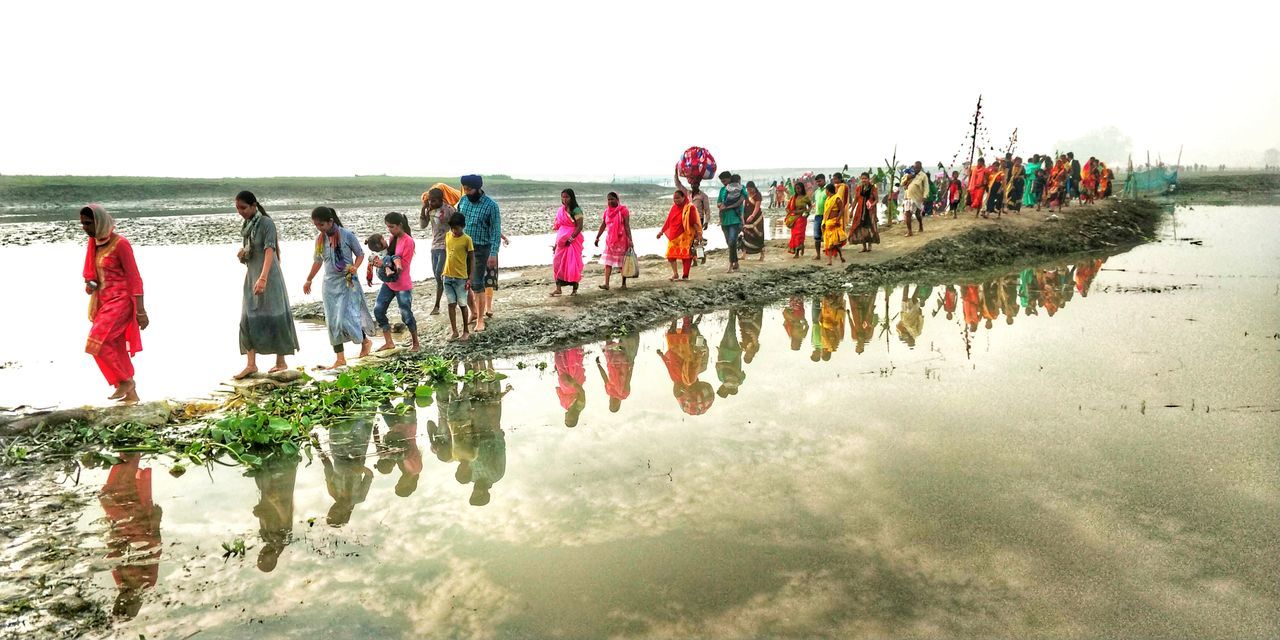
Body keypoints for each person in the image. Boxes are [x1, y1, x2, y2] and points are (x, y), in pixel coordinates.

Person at [80, 204, 147, 403]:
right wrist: (91, 283)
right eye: (82, 223)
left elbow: (135, 278)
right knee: (114, 346)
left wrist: (141, 311)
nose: (85, 227)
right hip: (104, 302)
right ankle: (132, 397)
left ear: (99, 221)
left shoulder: (121, 244)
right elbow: (94, 275)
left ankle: (125, 381)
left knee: (96, 343)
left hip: (121, 302)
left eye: (88, 223)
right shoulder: (94, 244)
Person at [234, 191, 296, 381]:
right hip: (252, 274)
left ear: (254, 205)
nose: (240, 212)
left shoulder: (266, 223)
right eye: (237, 208)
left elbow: (270, 251)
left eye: (243, 208)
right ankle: (251, 364)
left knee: (275, 315)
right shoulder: (247, 225)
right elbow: (252, 250)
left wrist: (263, 278)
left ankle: (281, 361)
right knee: (247, 317)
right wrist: (243, 255)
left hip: (268, 276)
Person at [303, 206, 375, 369]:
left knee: (346, 317)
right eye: (316, 225)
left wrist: (355, 267)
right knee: (333, 321)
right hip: (329, 284)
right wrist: (309, 279)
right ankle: (340, 357)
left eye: (321, 225)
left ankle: (365, 341)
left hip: (347, 280)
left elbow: (360, 254)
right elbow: (318, 261)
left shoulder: (347, 235)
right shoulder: (319, 239)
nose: (319, 228)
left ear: (330, 222)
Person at [371, 212, 419, 352]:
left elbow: (403, 264)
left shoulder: (408, 241)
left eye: (391, 227)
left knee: (406, 314)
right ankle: (389, 342)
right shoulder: (393, 238)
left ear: (400, 225)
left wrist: (384, 265)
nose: (389, 230)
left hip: (402, 284)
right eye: (387, 227)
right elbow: (388, 256)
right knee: (378, 310)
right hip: (389, 283)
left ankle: (415, 343)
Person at [458, 174, 501, 331]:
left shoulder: (491, 206)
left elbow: (496, 231)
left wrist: (493, 253)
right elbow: (457, 223)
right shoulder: (463, 201)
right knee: (463, 282)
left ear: (478, 188)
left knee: (477, 283)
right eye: (465, 189)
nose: (467, 192)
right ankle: (474, 312)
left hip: (481, 249)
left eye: (469, 189)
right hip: (462, 247)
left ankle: (480, 320)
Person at [419, 187, 457, 315]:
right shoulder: (430, 210)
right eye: (430, 201)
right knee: (437, 275)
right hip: (435, 246)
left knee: (440, 273)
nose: (431, 203)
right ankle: (449, 299)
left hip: (446, 246)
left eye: (434, 201)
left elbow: (457, 225)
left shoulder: (449, 210)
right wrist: (423, 208)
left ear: (441, 199)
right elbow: (422, 226)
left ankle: (437, 305)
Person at [659, 180, 703, 281]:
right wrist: (661, 231)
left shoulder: (690, 208)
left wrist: (699, 233)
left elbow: (694, 222)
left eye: (678, 198)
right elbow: (668, 220)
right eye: (674, 199)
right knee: (670, 256)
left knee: (686, 256)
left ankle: (685, 275)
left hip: (686, 234)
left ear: (684, 197)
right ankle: (675, 274)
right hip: (674, 235)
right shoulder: (673, 208)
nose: (676, 200)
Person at [442, 212, 474, 341]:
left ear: (463, 226)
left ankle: (466, 331)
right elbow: (448, 253)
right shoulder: (448, 236)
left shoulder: (467, 239)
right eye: (452, 228)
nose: (454, 231)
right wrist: (443, 271)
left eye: (457, 228)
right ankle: (454, 331)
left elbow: (472, 259)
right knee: (451, 304)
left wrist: (470, 278)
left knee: (462, 304)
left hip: (461, 278)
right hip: (447, 276)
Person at [594, 191, 634, 290]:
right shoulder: (607, 212)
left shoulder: (623, 210)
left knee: (621, 263)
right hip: (610, 241)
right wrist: (597, 237)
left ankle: (624, 284)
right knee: (608, 263)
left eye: (612, 199)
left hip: (621, 240)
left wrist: (630, 240)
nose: (610, 201)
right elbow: (603, 225)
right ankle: (606, 284)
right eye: (608, 199)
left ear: (617, 199)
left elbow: (627, 226)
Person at [551, 189, 585, 296]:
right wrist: (556, 244)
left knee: (571, 264)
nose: (565, 199)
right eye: (563, 197)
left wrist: (570, 239)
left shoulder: (576, 210)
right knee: (557, 262)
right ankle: (558, 288)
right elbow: (560, 226)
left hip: (572, 241)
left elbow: (579, 226)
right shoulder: (561, 210)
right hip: (561, 241)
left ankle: (574, 289)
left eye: (567, 197)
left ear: (572, 197)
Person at [596, 330, 639, 412]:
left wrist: (599, 365)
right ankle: (614, 328)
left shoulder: (612, 392)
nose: (611, 402)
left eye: (610, 404)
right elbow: (628, 379)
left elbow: (604, 377)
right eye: (613, 404)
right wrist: (599, 365)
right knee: (614, 346)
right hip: (620, 365)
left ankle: (612, 328)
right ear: (618, 404)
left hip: (615, 364)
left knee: (615, 346)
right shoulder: (623, 394)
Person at [715, 172, 746, 272]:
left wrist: (728, 207)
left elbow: (741, 200)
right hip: (724, 220)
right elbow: (718, 203)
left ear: (730, 179)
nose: (723, 183)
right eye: (722, 181)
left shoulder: (740, 187)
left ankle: (730, 265)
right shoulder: (723, 190)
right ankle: (736, 262)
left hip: (735, 219)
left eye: (725, 181)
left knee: (732, 241)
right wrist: (721, 205)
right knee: (730, 243)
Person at [554, 346, 587, 427]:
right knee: (571, 359)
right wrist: (572, 383)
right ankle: (573, 344)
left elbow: (560, 391)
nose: (568, 418)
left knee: (559, 359)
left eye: (566, 420)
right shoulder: (579, 406)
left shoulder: (564, 405)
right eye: (570, 420)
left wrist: (558, 373)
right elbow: (582, 392)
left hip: (564, 379)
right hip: (574, 379)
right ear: (575, 418)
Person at [850, 172, 879, 253]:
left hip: (869, 211)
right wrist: (851, 211)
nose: (864, 180)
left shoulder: (873, 188)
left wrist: (872, 204)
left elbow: (877, 199)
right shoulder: (859, 188)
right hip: (860, 211)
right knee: (861, 228)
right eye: (862, 179)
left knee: (869, 228)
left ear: (868, 179)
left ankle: (869, 245)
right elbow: (855, 200)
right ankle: (864, 247)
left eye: (865, 178)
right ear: (860, 179)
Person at [821, 183, 847, 264]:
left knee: (832, 243)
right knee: (832, 243)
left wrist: (838, 220)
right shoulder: (828, 199)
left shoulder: (837, 199)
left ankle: (830, 261)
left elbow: (842, 210)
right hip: (827, 223)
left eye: (826, 190)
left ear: (828, 190)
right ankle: (840, 256)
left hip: (834, 222)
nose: (825, 191)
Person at [740, 181, 766, 260]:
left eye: (750, 189)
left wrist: (752, 215)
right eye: (748, 189)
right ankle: (744, 254)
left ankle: (762, 254)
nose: (749, 191)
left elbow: (757, 207)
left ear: (754, 188)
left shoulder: (758, 195)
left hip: (756, 219)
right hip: (746, 218)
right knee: (745, 236)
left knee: (758, 236)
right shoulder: (746, 195)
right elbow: (743, 206)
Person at [785, 183, 812, 258]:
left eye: (799, 188)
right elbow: (787, 208)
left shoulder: (805, 197)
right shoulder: (793, 197)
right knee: (794, 235)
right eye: (796, 189)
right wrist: (790, 213)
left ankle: (797, 252)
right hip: (794, 218)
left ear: (802, 188)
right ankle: (800, 247)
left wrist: (807, 212)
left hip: (802, 218)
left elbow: (810, 206)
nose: (798, 190)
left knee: (799, 235)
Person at [904, 163, 929, 235]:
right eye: (915, 168)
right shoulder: (909, 174)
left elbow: (926, 187)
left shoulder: (923, 176)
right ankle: (909, 231)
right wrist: (908, 178)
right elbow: (902, 183)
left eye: (917, 168)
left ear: (920, 168)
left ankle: (920, 225)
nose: (916, 169)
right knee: (907, 213)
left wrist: (925, 196)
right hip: (908, 197)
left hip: (917, 198)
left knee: (917, 214)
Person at [811, 173, 828, 259]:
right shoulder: (816, 191)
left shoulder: (827, 190)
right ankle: (818, 255)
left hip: (827, 215)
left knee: (828, 235)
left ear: (824, 180)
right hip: (817, 215)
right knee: (817, 236)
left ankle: (832, 254)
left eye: (820, 181)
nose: (818, 183)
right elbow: (815, 202)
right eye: (817, 182)